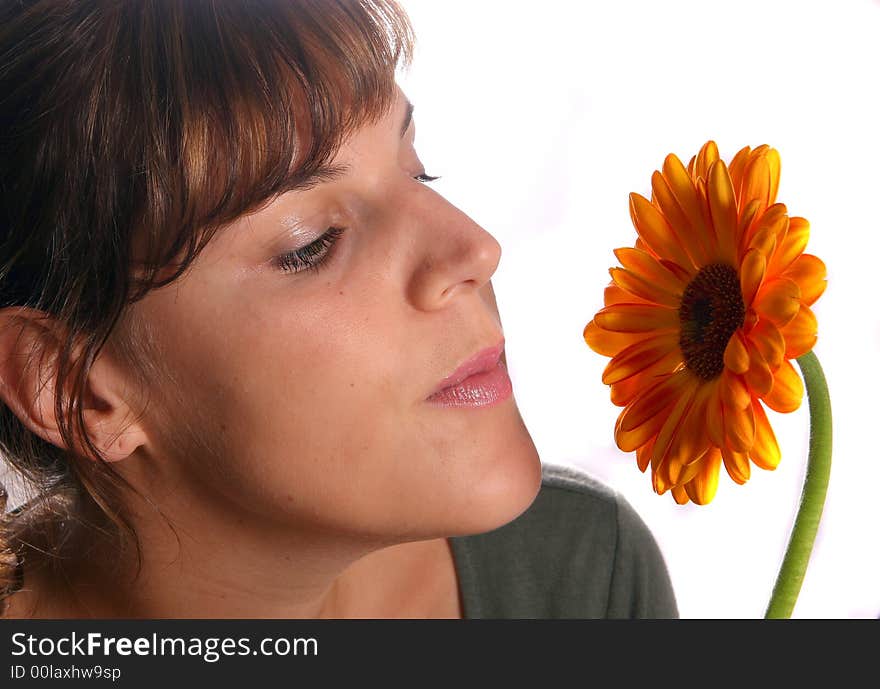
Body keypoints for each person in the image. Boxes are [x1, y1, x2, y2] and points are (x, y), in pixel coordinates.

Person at [0, 0, 677, 619]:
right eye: (311, 244)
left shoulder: (586, 580)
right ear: (79, 387)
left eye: (416, 168)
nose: (476, 249)